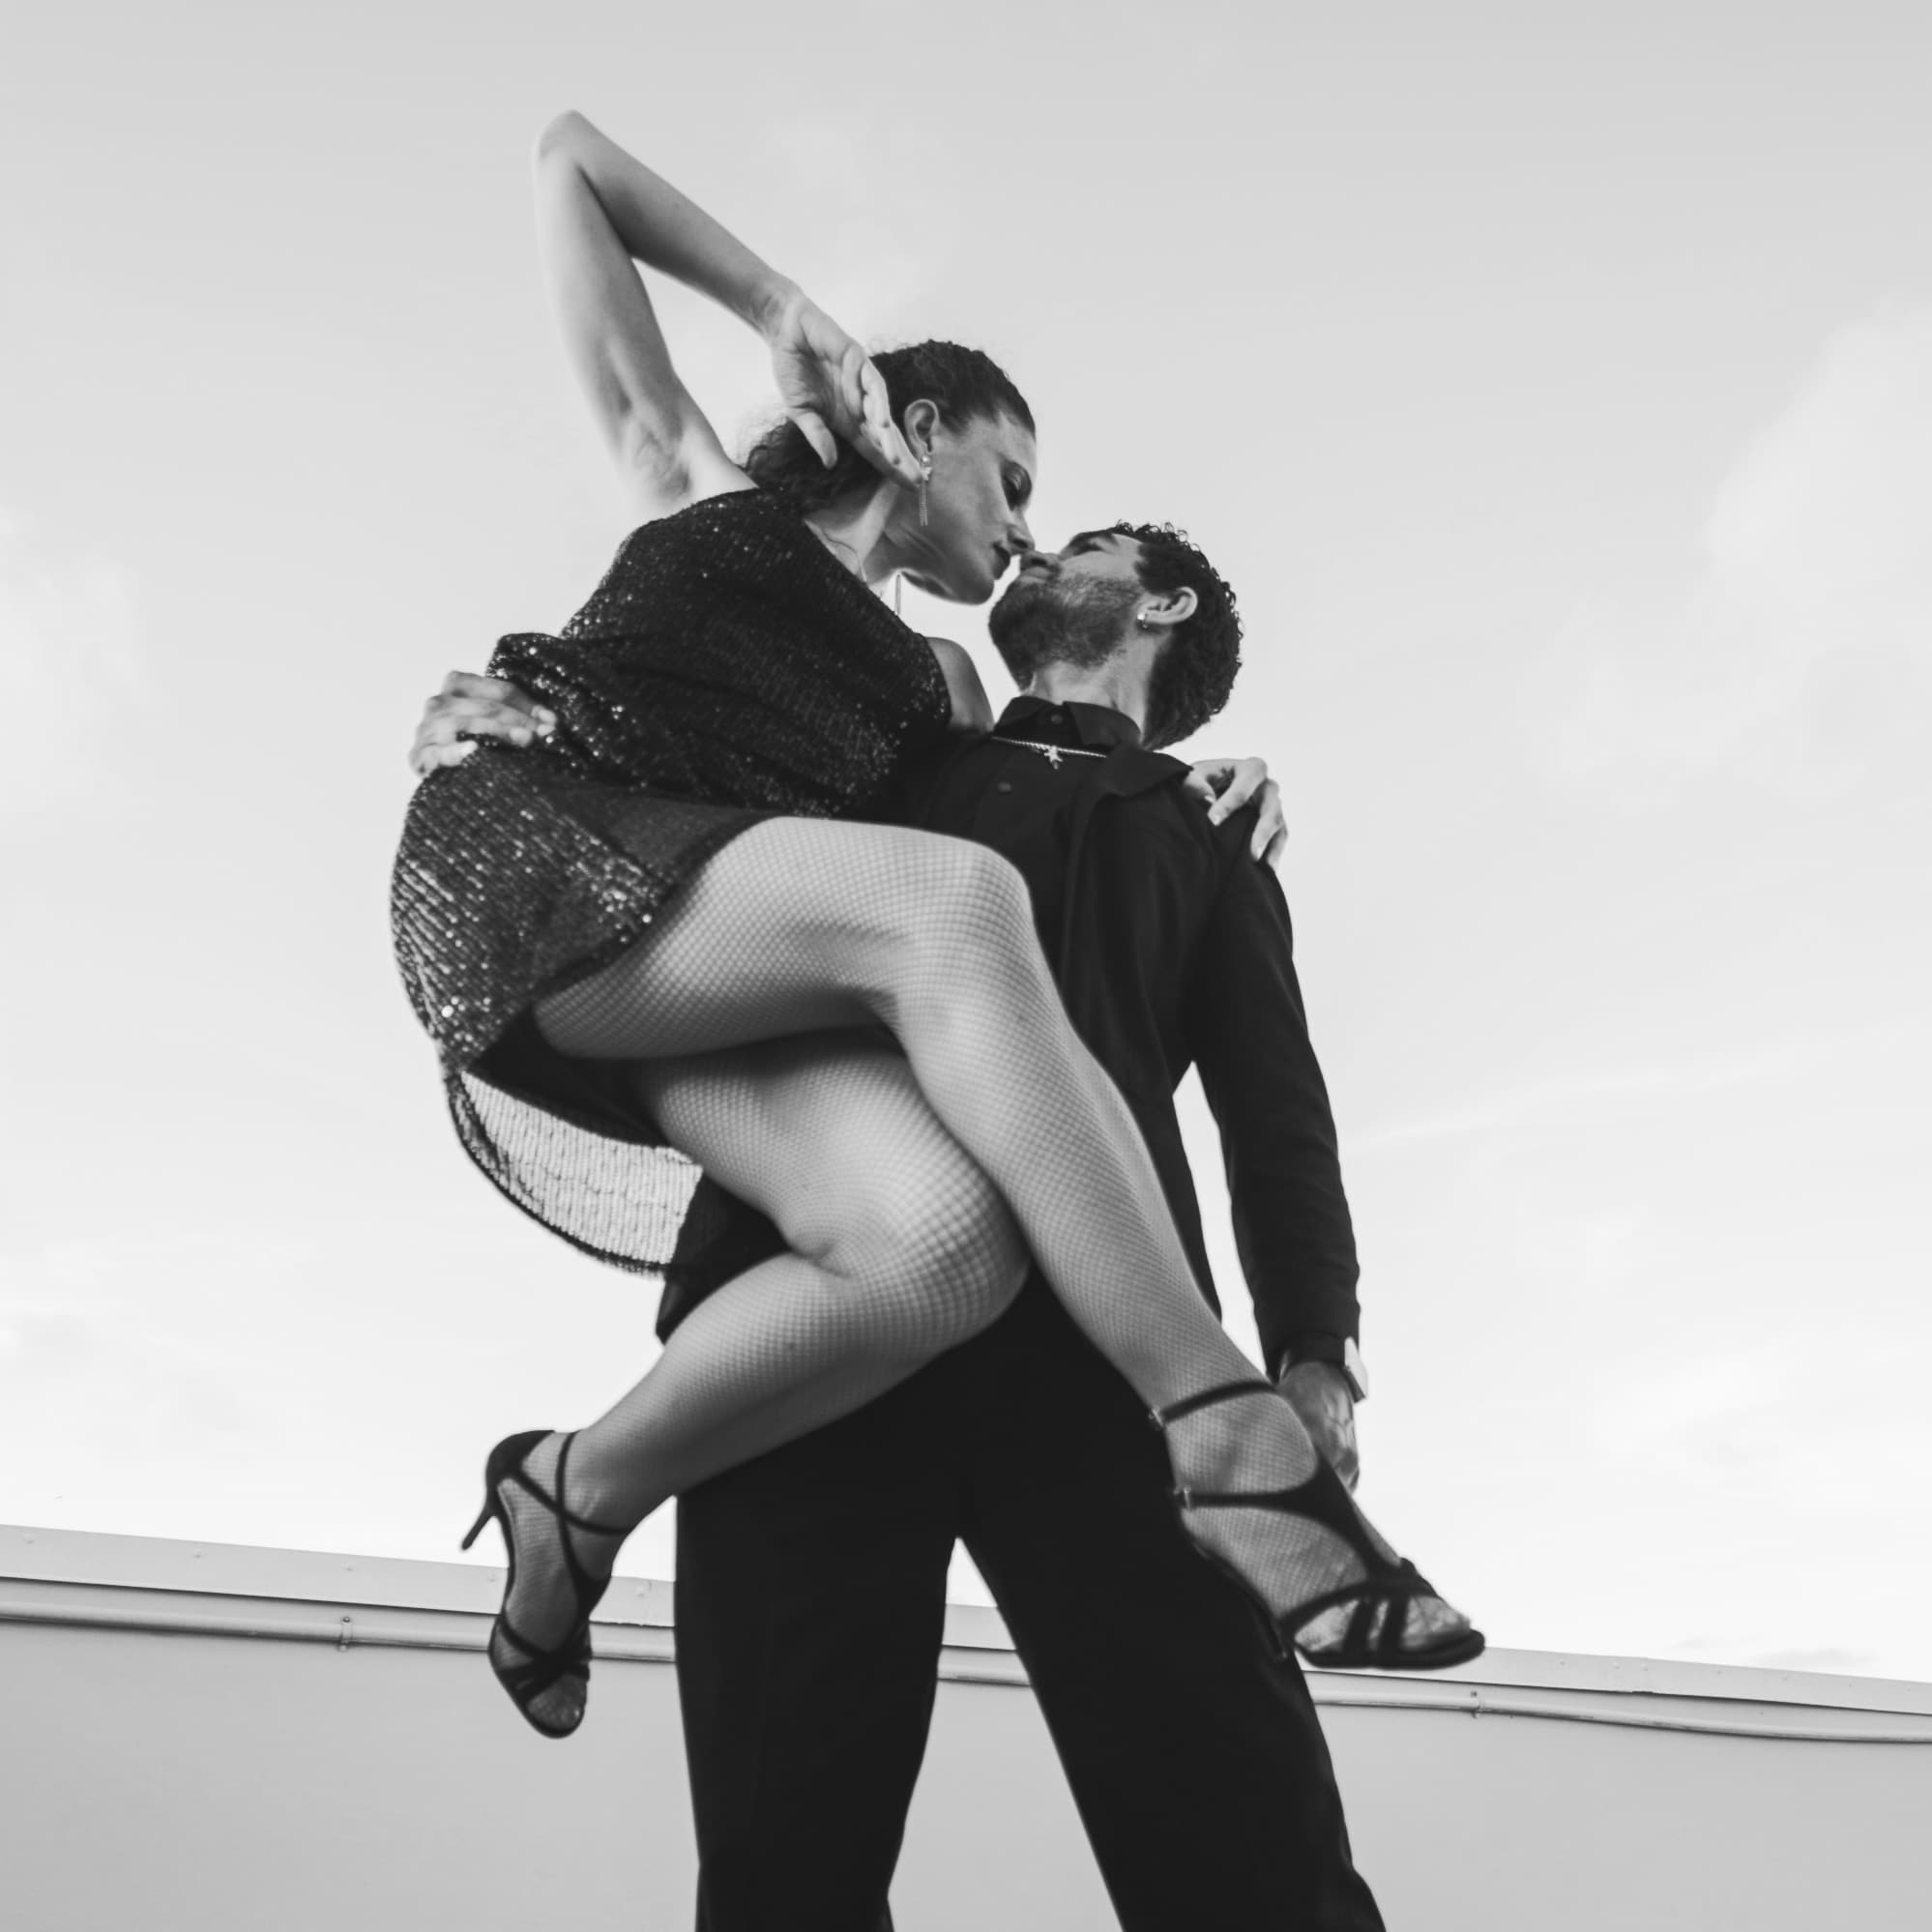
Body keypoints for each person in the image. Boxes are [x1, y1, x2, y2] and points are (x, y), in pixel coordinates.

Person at [393, 109, 1478, 1742]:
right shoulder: (704, 499)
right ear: (918, 428)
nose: (1029, 527)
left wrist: (1207, 774)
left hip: (709, 991)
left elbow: (1037, 790)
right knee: (952, 908)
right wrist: (774, 311)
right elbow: (564, 165)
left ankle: (572, 1488)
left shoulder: (945, 695)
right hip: (545, 866)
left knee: (941, 1249)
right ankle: (1219, 1430)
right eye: (1014, 478)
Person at [413, 519, 1426, 1929]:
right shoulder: (886, 753)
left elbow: (1277, 1114)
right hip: (812, 1320)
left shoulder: (1206, 826)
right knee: (783, 1862)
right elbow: (681, 746)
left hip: (1111, 1364)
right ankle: (571, 1495)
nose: (1030, 543)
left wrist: (1314, 1348)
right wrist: (507, 721)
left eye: (1076, 539)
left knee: (1249, 1845)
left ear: (1160, 601)